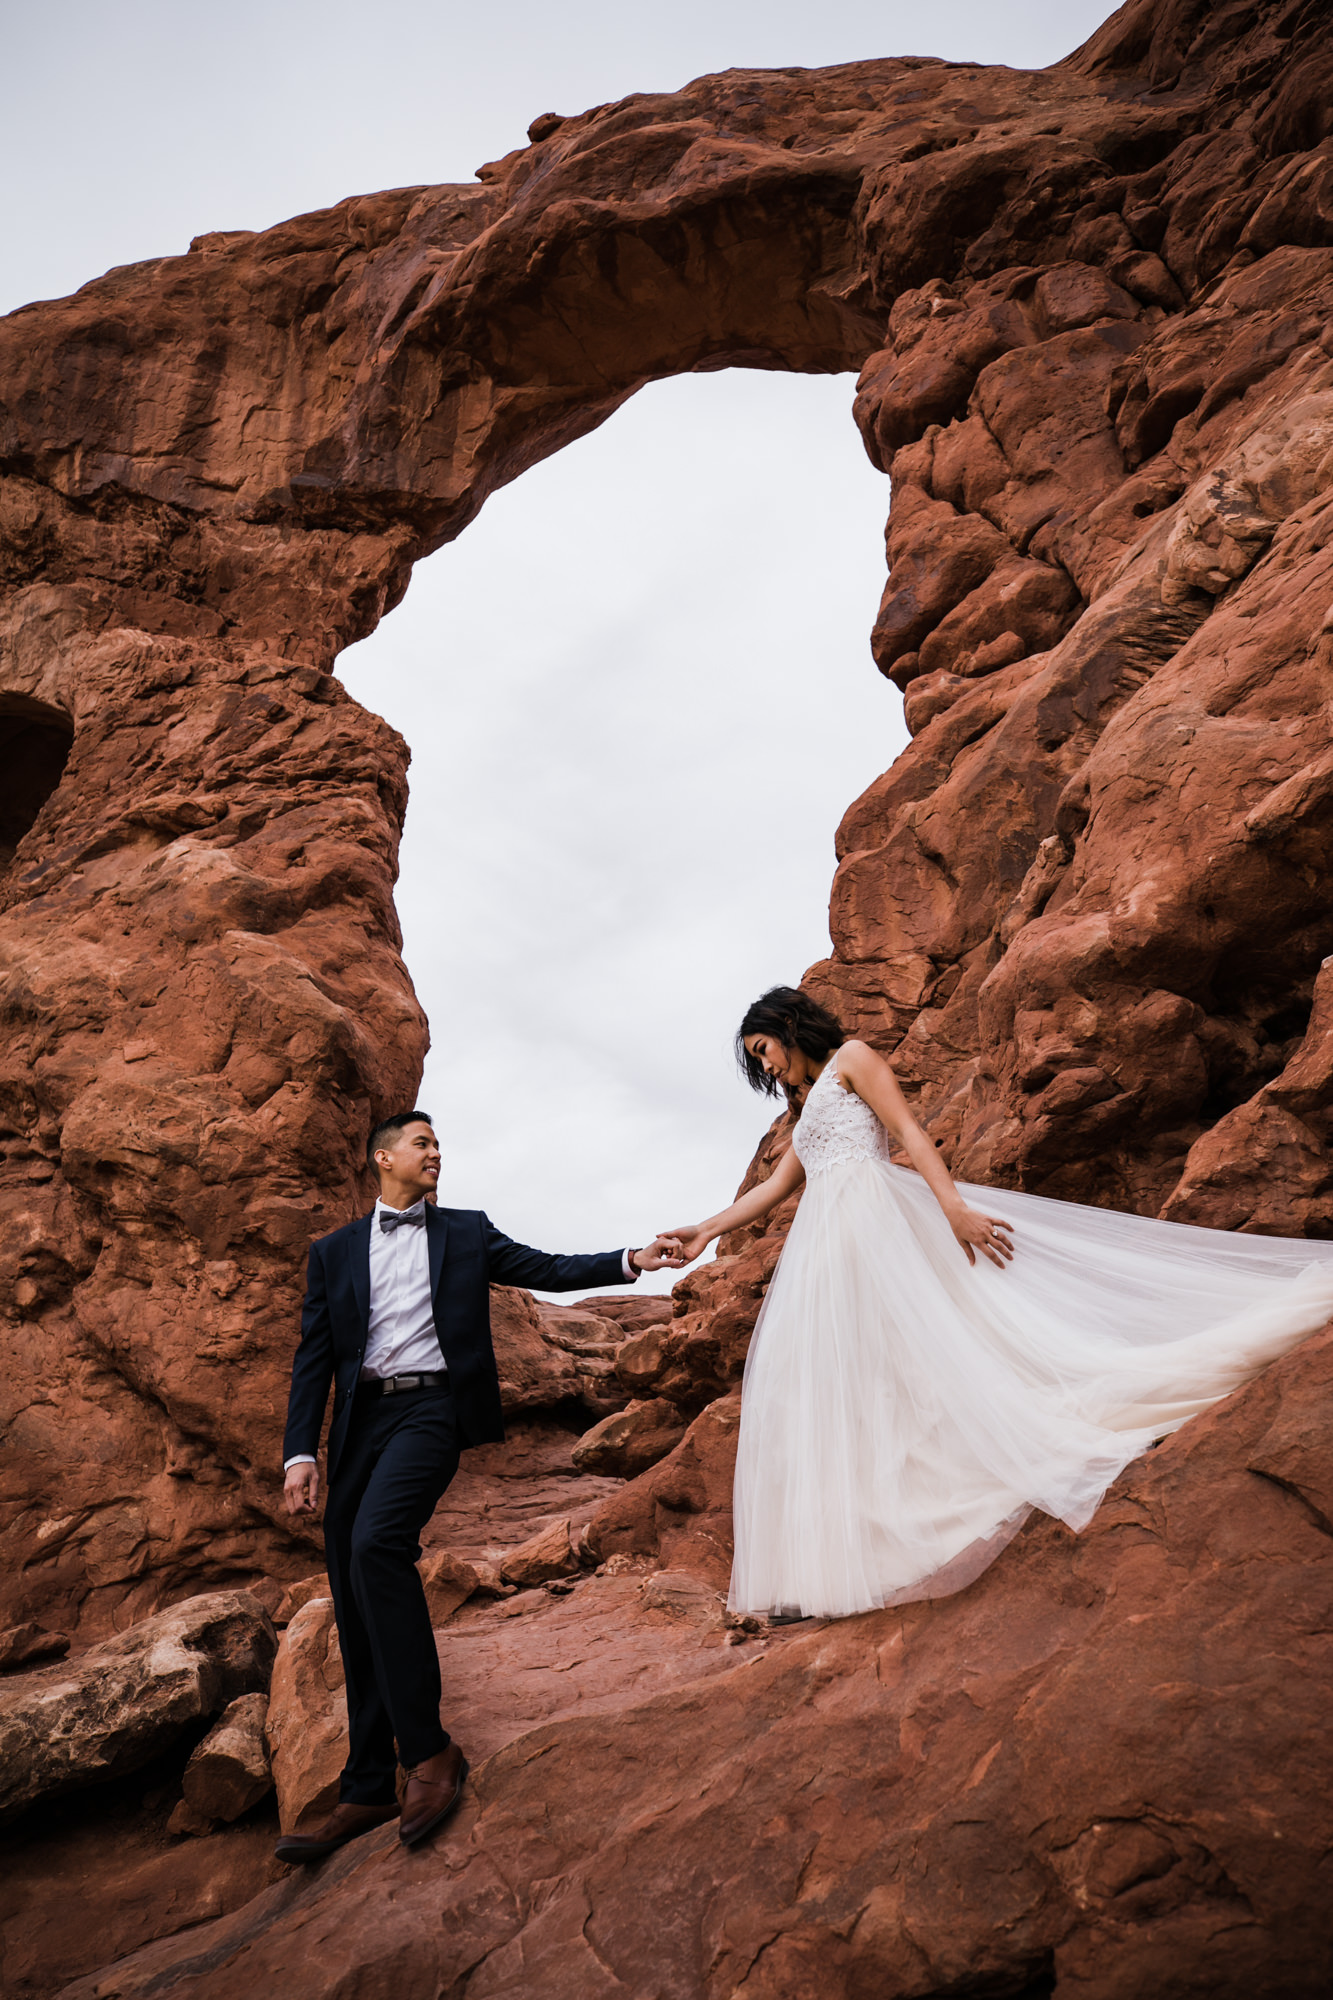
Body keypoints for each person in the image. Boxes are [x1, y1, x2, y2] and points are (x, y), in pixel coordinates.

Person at [663, 987, 1333, 1622]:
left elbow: (907, 1132)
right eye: (756, 1059)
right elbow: (778, 1186)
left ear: (785, 1026)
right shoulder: (804, 1108)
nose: (766, 1064)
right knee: (858, 1387)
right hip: (827, 1249)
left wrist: (952, 1208)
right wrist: (703, 1230)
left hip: (876, 1226)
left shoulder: (853, 1059)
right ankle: (845, 1562)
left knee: (944, 1355)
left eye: (762, 1049)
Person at [276, 1108, 681, 1863]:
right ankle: (365, 1786)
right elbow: (313, 1357)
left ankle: (429, 1752)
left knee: (376, 1546)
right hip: (361, 1421)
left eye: (438, 1144)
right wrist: (301, 1453)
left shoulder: (465, 1232)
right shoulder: (332, 1253)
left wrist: (633, 1257)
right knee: (352, 1585)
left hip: (433, 1409)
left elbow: (546, 1267)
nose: (436, 1153)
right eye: (422, 1143)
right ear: (383, 1160)